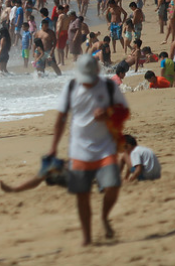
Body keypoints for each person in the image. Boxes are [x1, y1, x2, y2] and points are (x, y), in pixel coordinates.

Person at [47, 56, 129, 246]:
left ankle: (104, 216)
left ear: (97, 72)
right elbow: (60, 119)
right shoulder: (70, 88)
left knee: (113, 186)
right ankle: (87, 237)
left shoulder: (109, 87)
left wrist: (108, 113)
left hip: (105, 147)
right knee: (82, 194)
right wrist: (53, 147)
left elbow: (124, 111)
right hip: (79, 150)